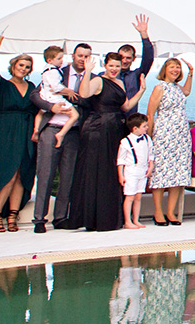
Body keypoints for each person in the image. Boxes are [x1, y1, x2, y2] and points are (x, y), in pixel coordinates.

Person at [70, 51, 142, 232]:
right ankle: (94, 218)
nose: (114, 69)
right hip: (98, 129)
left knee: (112, 171)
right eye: (111, 66)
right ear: (105, 65)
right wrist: (87, 71)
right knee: (97, 171)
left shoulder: (120, 82)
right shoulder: (98, 80)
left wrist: (141, 91)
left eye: (117, 66)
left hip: (115, 128)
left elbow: (125, 106)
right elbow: (84, 94)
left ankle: (111, 217)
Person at [0, 35, 44, 232]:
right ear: (13, 66)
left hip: (27, 132)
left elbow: (39, 110)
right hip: (6, 130)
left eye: (27, 66)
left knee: (21, 174)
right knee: (6, 173)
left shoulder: (32, 87)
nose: (24, 69)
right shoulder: (2, 84)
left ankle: (13, 214)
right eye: (21, 65)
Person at [29, 43, 78, 233]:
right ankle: (39, 219)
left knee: (67, 176)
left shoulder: (88, 78)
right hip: (50, 128)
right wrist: (51, 107)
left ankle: (61, 217)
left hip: (72, 131)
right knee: (46, 173)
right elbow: (35, 96)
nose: (82, 59)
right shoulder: (53, 72)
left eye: (86, 56)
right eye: (79, 55)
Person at [143, 56, 195, 226]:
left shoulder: (177, 87)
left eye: (177, 68)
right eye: (172, 67)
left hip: (181, 136)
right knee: (161, 174)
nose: (175, 70)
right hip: (164, 134)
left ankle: (171, 212)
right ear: (165, 69)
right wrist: (150, 137)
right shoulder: (160, 88)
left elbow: (187, 92)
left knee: (178, 175)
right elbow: (150, 113)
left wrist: (191, 73)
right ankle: (158, 212)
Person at [118, 112, 152, 229]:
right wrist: (121, 175)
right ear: (135, 128)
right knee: (130, 196)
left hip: (142, 170)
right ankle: (127, 221)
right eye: (144, 126)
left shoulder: (147, 139)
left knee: (138, 196)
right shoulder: (125, 142)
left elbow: (151, 154)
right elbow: (120, 160)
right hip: (131, 171)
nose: (147, 128)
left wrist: (150, 166)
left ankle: (136, 219)